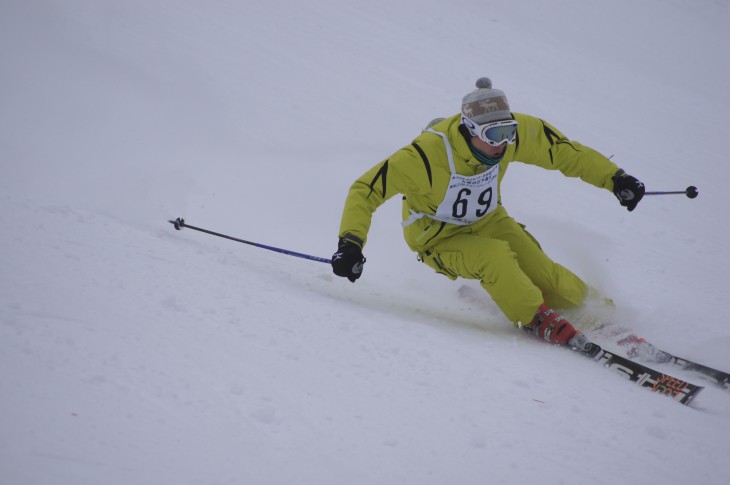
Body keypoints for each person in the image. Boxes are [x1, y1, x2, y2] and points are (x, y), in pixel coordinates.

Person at [331, 77, 645, 351]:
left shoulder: (508, 140)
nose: (504, 143)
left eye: (509, 131)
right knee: (495, 258)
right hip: (437, 238)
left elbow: (561, 151)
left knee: (544, 271)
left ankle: (596, 310)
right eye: (495, 135)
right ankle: (532, 314)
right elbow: (366, 189)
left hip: (488, 219)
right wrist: (351, 244)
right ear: (470, 130)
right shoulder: (424, 156)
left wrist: (614, 178)